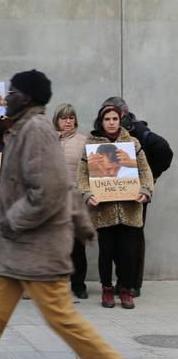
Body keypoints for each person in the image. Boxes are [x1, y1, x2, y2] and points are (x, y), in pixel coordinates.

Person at [0, 69, 140, 359]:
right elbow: (62, 185)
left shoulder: (36, 130)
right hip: (8, 256)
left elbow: (51, 191)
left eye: (13, 91)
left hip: (38, 253)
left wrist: (9, 221)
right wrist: (81, 222)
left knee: (66, 323)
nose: (8, 96)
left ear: (27, 97)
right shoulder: (21, 129)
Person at [77, 104, 154, 310]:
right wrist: (87, 194)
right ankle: (107, 289)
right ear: (101, 122)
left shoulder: (133, 143)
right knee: (106, 253)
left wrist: (145, 191)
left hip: (130, 209)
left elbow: (145, 171)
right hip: (103, 211)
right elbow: (82, 175)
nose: (111, 122)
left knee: (128, 254)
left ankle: (126, 290)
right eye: (107, 119)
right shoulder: (91, 145)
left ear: (120, 121)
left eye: (114, 119)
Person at [101, 96, 172, 297]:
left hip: (134, 196)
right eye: (106, 115)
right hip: (110, 194)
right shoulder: (105, 135)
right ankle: (122, 282)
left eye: (113, 115)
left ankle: (132, 284)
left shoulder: (139, 132)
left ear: (121, 114)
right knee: (114, 240)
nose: (110, 119)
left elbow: (165, 150)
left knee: (133, 240)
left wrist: (147, 182)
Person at [53, 103, 90, 300]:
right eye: (63, 118)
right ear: (56, 121)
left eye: (71, 117)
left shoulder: (85, 141)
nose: (67, 121)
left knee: (77, 246)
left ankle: (78, 284)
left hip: (75, 202)